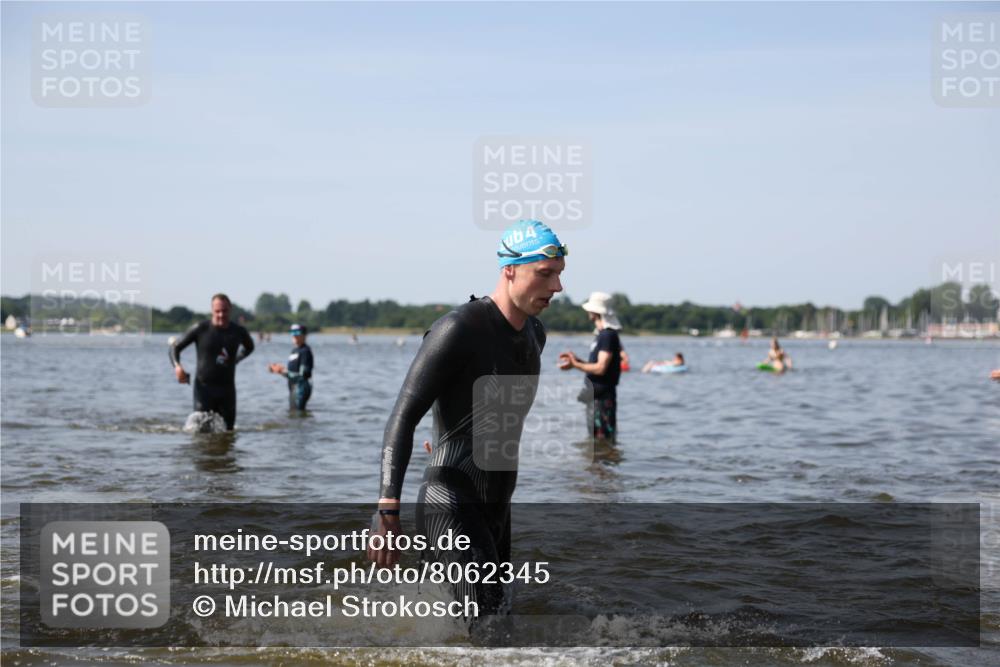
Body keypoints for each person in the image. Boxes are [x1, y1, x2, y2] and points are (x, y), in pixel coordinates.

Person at [368, 219, 566, 618]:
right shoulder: (458, 329)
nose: (557, 287)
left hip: (497, 506)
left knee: (495, 624)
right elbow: (402, 416)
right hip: (449, 500)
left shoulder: (535, 335)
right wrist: (387, 509)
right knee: (488, 630)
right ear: (509, 269)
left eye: (559, 274)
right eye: (545, 274)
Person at [169, 293, 255, 430]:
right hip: (204, 391)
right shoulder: (201, 329)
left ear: (230, 309)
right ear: (212, 310)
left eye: (224, 311)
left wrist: (236, 360)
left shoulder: (239, 332)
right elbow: (175, 348)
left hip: (227, 391)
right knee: (201, 433)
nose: (221, 315)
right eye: (217, 311)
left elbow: (250, 347)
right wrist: (177, 366)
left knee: (228, 432)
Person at [559, 291, 622, 442]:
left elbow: (600, 368)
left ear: (595, 312)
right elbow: (597, 366)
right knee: (596, 441)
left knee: (602, 439)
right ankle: (606, 456)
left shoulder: (607, 335)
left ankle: (605, 457)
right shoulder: (602, 335)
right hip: (596, 397)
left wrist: (576, 365)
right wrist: (577, 361)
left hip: (603, 398)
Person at [268, 323, 314, 411]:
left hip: (301, 387)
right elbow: (292, 370)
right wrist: (279, 369)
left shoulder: (305, 351)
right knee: (292, 413)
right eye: (292, 332)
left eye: (297, 333)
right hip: (293, 386)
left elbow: (302, 375)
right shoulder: (294, 350)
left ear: (304, 335)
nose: (294, 336)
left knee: (297, 412)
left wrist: (281, 371)